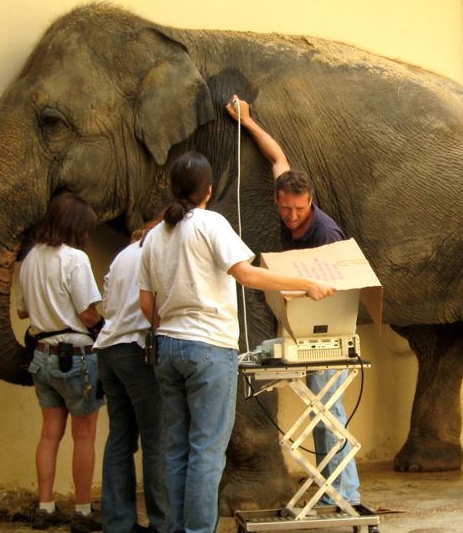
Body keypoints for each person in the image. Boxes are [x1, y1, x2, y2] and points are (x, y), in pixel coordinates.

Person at [138, 151, 334, 533]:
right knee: (207, 452)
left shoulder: (155, 236)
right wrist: (305, 283)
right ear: (209, 191)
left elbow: (148, 304)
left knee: (175, 449)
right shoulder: (211, 223)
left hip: (167, 348)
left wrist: (171, 328)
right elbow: (246, 275)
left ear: (172, 188)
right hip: (209, 349)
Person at [225, 95, 361, 506]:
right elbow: (277, 157)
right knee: (318, 412)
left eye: (299, 210)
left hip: (330, 326)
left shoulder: (325, 233)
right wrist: (248, 122)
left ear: (310, 202)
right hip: (303, 324)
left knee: (330, 414)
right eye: (285, 209)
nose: (291, 217)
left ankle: (346, 494)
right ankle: (328, 489)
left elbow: (337, 291)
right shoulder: (286, 194)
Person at [18, 192, 105, 533]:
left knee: (49, 435)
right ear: (75, 227)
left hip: (42, 356)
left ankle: (45, 506)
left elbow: (23, 310)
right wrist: (104, 329)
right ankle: (82, 511)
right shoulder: (75, 259)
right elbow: (87, 312)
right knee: (84, 437)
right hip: (77, 357)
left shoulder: (29, 259)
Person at [95, 221, 168, 533]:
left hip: (108, 347)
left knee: (120, 438)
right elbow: (154, 304)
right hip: (136, 348)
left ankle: (117, 522)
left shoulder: (123, 255)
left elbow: (108, 302)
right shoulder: (155, 251)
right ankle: (162, 522)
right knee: (157, 437)